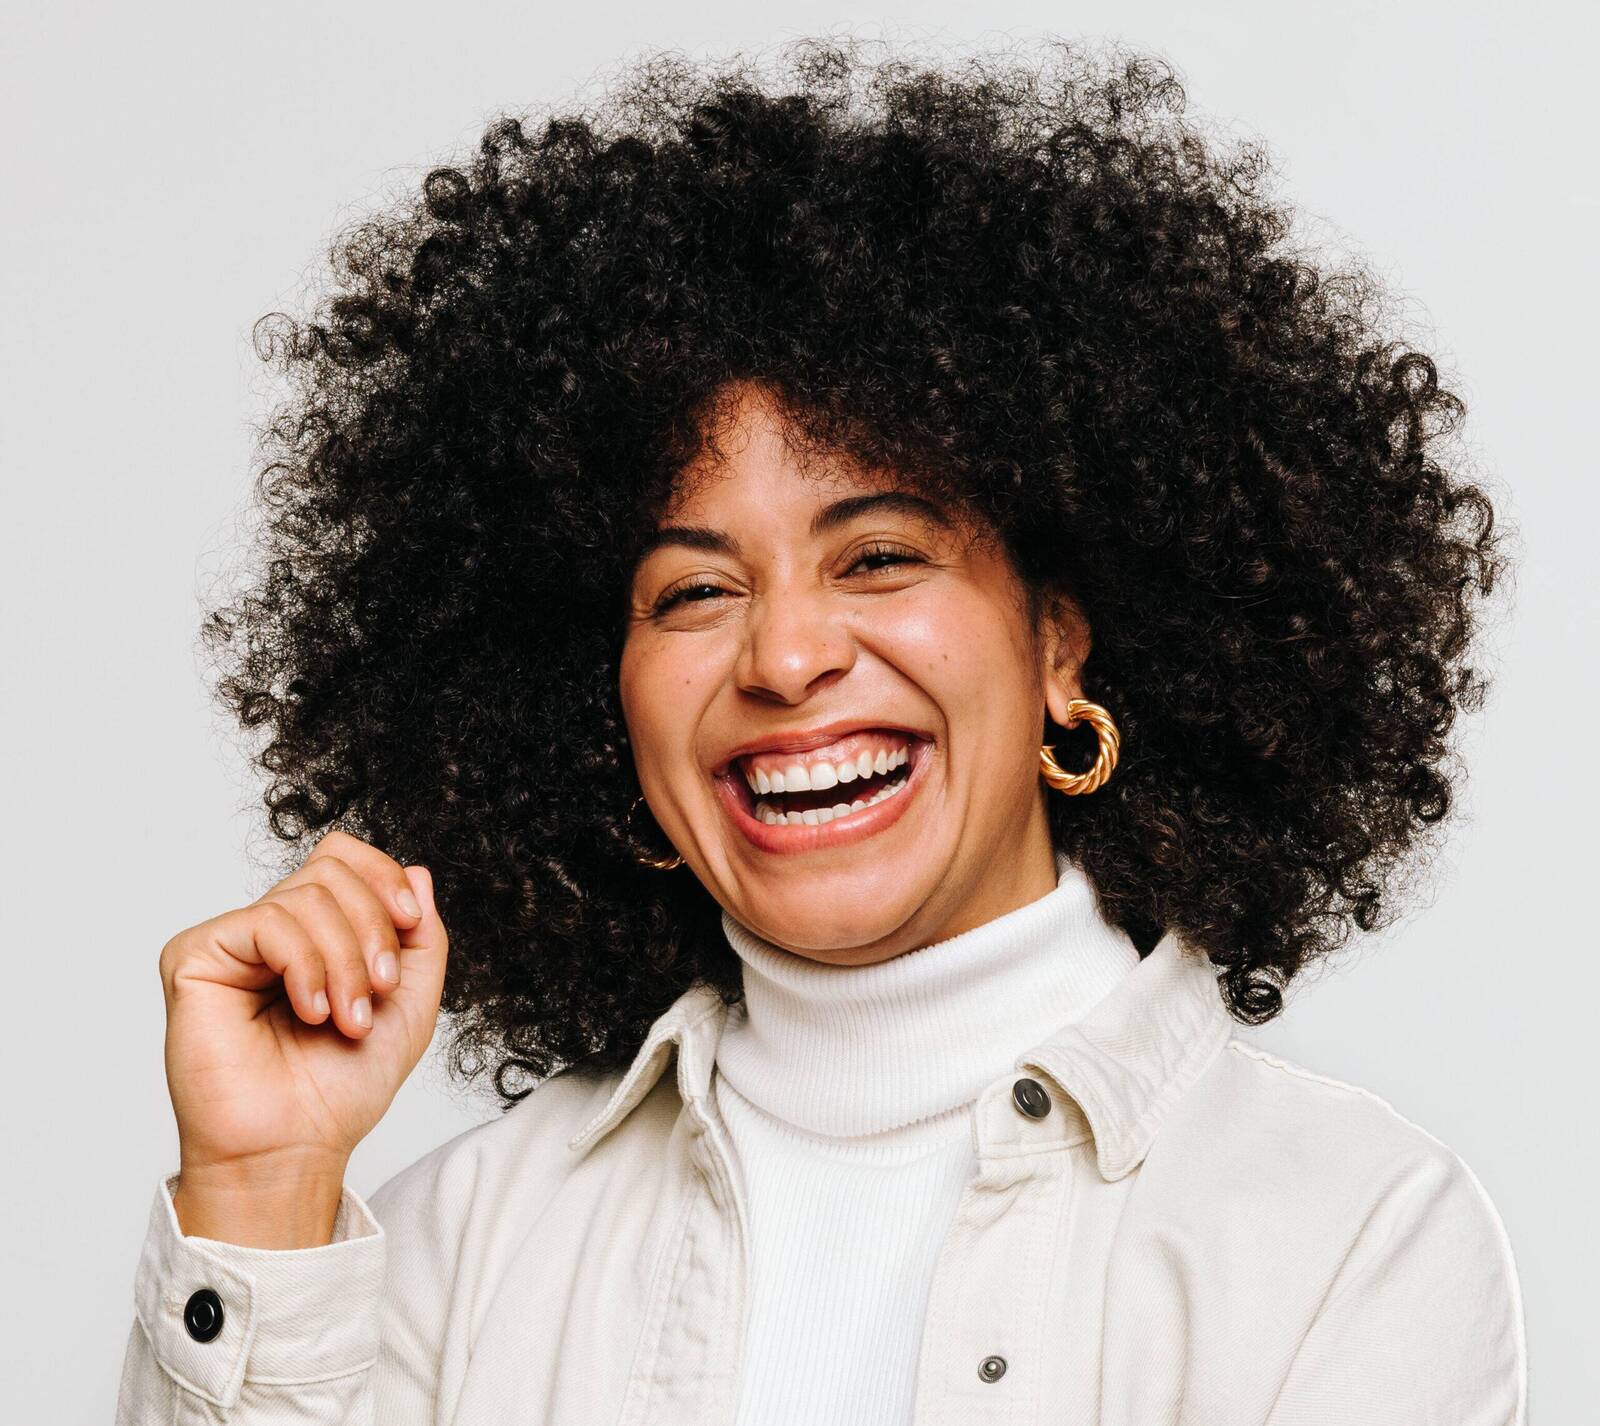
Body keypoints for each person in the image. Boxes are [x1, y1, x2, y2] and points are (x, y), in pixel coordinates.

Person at [114, 37, 1527, 1426]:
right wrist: (259, 1190)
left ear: (1060, 643)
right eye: (694, 589)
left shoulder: (1351, 1241)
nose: (785, 657)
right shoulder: (446, 1253)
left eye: (881, 558)